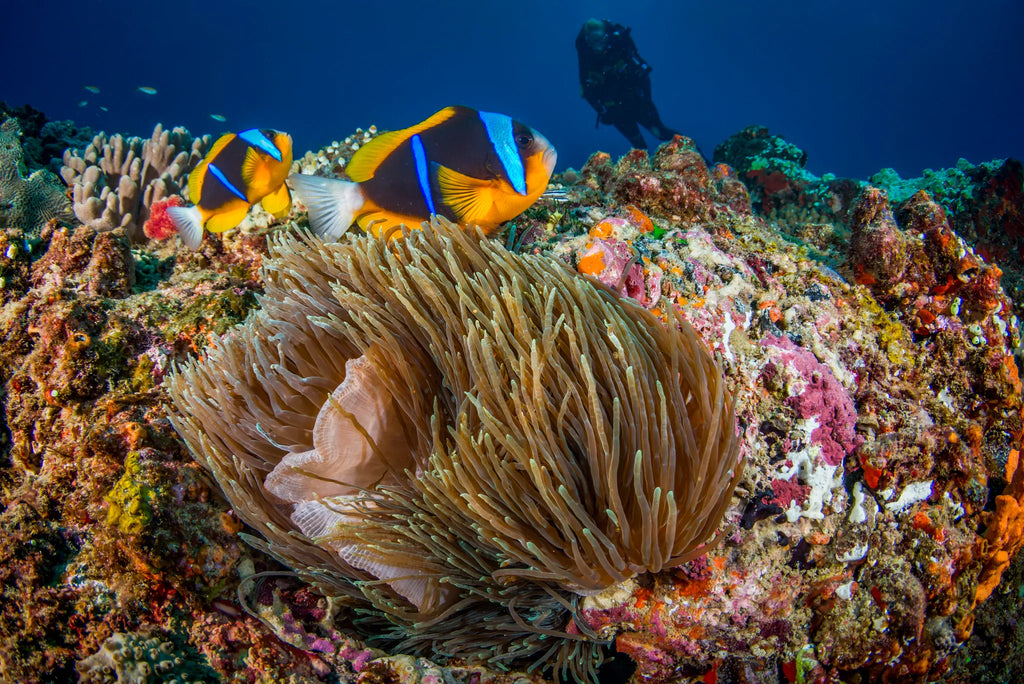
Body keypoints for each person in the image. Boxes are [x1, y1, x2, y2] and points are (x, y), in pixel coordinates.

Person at [575, 18, 679, 150]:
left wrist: (645, 99)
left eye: (599, 38)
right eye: (592, 40)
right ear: (587, 42)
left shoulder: (621, 46)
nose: (597, 44)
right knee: (638, 145)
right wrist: (603, 111)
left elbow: (643, 74)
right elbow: (587, 91)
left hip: (636, 100)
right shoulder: (586, 59)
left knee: (659, 132)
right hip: (615, 109)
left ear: (606, 36)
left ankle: (698, 155)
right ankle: (645, 169)